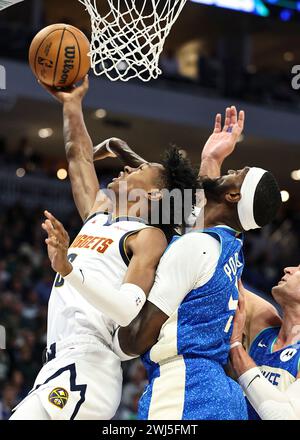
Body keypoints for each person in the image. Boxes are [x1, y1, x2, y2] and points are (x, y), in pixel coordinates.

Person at [43, 109, 282, 419]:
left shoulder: (192, 246)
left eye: (235, 173)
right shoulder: (226, 247)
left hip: (184, 388)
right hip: (215, 391)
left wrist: (111, 341)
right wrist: (210, 160)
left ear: (234, 194)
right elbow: (184, 201)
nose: (231, 170)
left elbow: (134, 338)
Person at [10, 76, 199, 420]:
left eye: (139, 169)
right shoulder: (98, 213)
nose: (127, 167)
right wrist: (72, 104)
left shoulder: (147, 237)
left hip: (89, 364)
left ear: (155, 195)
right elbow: (78, 157)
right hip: (59, 362)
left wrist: (69, 270)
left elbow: (128, 310)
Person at [230, 268, 300, 420]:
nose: (288, 269)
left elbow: (284, 417)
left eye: (299, 269)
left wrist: (235, 346)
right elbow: (226, 282)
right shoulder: (264, 321)